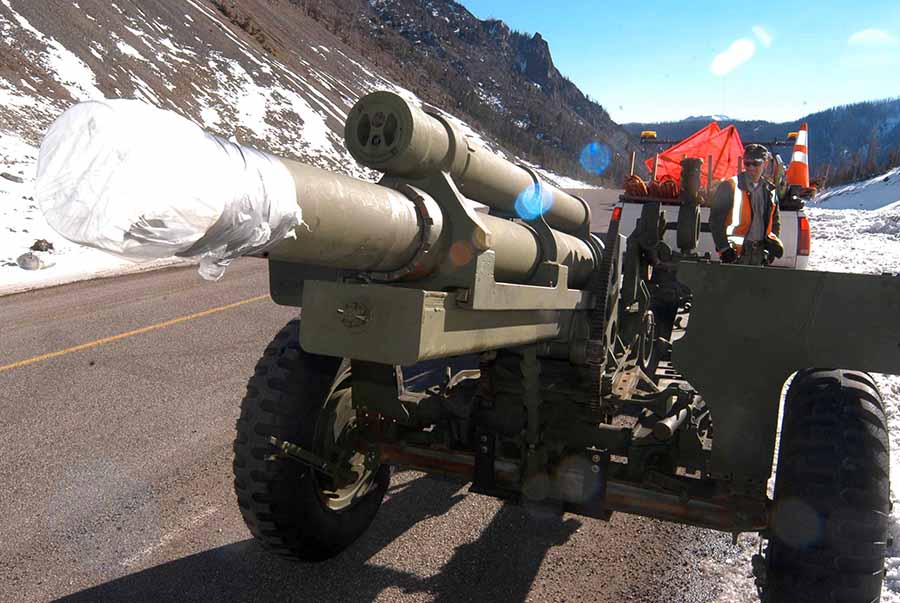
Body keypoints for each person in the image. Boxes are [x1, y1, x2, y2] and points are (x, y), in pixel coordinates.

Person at [709, 144, 784, 265]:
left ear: (765, 164)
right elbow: (715, 221)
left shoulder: (770, 190)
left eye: (756, 163)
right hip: (735, 255)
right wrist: (724, 249)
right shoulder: (729, 186)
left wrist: (771, 248)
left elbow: (775, 222)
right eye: (747, 163)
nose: (751, 167)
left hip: (759, 254)